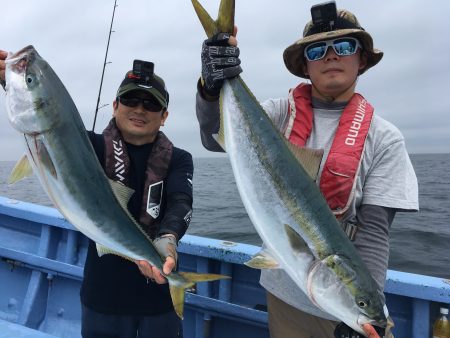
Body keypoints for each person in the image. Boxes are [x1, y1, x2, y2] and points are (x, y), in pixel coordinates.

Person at [195, 2, 418, 338]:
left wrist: (360, 312)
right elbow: (214, 138)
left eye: (344, 46)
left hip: (346, 309)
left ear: (362, 59)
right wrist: (210, 88)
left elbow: (374, 232)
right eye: (318, 49)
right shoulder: (276, 115)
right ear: (305, 64)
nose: (331, 56)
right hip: (284, 299)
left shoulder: (384, 138)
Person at [1, 55, 193, 338]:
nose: (140, 109)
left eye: (151, 104)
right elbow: (56, 128)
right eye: (130, 100)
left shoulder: (179, 159)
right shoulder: (88, 147)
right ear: (115, 106)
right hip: (103, 297)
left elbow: (181, 202)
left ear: (164, 116)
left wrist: (168, 239)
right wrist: (12, 84)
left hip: (159, 295)